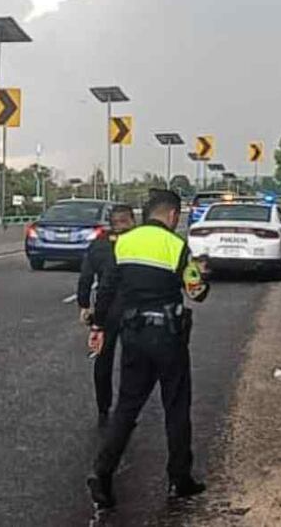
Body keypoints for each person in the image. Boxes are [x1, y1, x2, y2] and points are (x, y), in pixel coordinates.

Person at [86, 189, 210, 509]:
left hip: (133, 335)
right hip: (168, 337)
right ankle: (179, 479)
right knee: (176, 406)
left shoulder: (124, 243)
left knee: (126, 407)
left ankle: (102, 472)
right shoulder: (177, 246)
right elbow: (196, 291)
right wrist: (202, 274)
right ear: (172, 215)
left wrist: (98, 326)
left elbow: (107, 289)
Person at [77, 204, 137, 428]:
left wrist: (84, 305)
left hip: (106, 308)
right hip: (134, 308)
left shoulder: (99, 243)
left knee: (103, 358)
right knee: (132, 361)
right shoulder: (139, 241)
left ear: (111, 222)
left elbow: (86, 277)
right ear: (132, 220)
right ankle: (127, 410)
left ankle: (103, 406)